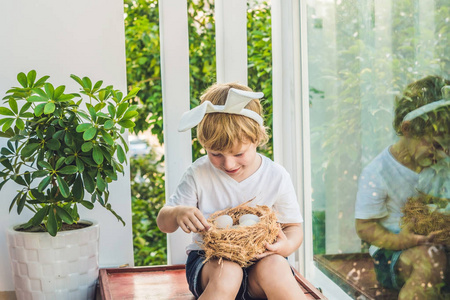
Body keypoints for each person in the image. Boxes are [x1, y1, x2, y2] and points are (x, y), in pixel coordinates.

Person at [157, 82, 306, 300]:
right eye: (216, 154)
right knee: (229, 271)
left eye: (238, 153)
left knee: (276, 266)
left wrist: (285, 246)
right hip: (210, 262)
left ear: (256, 139)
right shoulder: (199, 173)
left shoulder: (275, 176)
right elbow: (164, 223)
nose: (228, 164)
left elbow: (293, 227)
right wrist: (178, 213)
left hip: (259, 259)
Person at [355, 75, 450, 300]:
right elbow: (364, 227)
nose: (441, 154)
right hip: (394, 252)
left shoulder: (440, 166)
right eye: (435, 145)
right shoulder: (378, 171)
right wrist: (406, 240)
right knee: (431, 260)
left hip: (439, 244)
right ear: (407, 129)